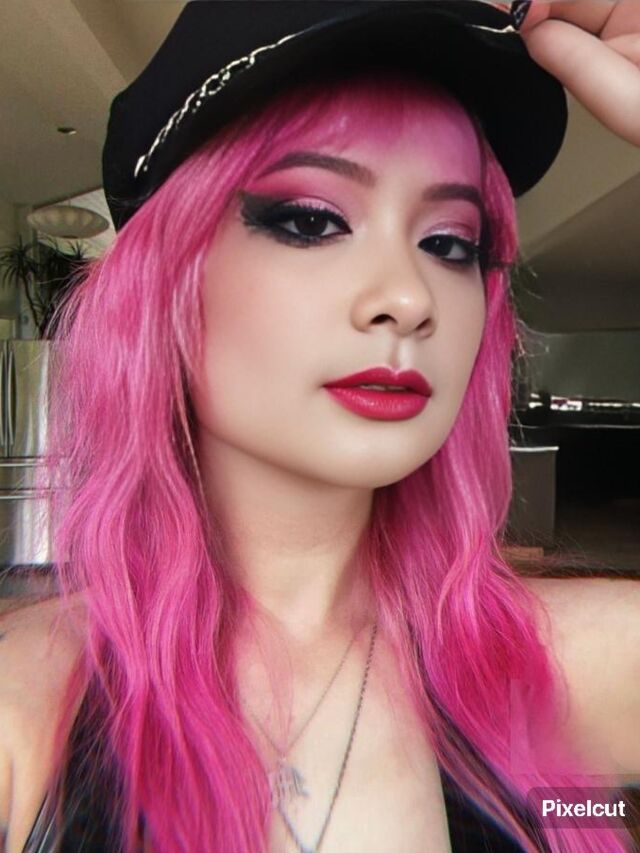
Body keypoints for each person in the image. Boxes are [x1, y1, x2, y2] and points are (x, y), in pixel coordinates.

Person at [1, 2, 639, 851]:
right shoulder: (24, 709)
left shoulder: (565, 669)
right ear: (168, 277)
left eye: (450, 242)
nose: (407, 298)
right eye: (311, 220)